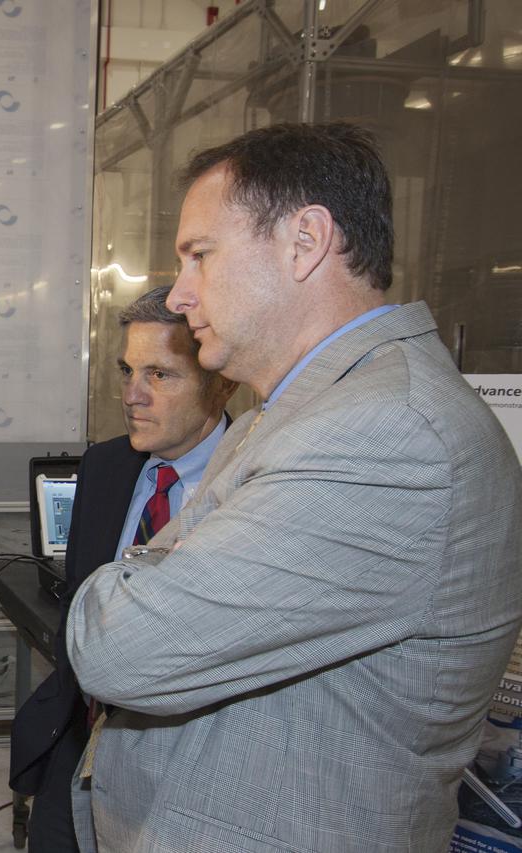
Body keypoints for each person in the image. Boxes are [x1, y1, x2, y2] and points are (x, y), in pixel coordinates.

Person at [66, 122, 522, 852]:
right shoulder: (296, 412)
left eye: (200, 256)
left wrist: (130, 577)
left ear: (306, 240)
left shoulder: (386, 433)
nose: (180, 296)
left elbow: (121, 648)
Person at [9, 285, 235, 852]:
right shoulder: (106, 465)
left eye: (160, 375)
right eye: (127, 369)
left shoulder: (252, 488)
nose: (132, 395)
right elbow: (81, 600)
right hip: (84, 740)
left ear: (221, 382)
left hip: (190, 765)